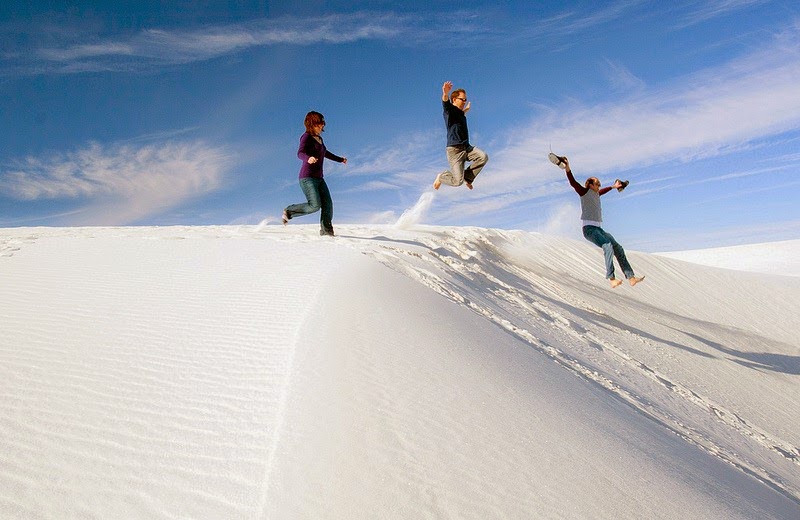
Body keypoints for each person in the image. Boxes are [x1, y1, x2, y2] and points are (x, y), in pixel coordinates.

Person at [560, 155, 644, 288]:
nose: (599, 185)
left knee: (618, 248)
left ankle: (631, 277)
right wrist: (567, 167)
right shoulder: (584, 192)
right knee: (607, 246)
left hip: (599, 229)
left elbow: (603, 191)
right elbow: (573, 182)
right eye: (597, 183)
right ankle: (611, 278)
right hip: (589, 230)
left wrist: (614, 186)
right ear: (590, 184)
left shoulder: (596, 193)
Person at [282, 111, 347, 236]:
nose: (322, 126)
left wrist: (340, 159)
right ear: (312, 124)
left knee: (328, 204)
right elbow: (300, 153)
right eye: (319, 123)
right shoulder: (306, 137)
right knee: (315, 205)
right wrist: (308, 158)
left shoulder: (320, 139)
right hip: (307, 178)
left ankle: (327, 233)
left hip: (319, 178)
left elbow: (325, 153)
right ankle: (289, 211)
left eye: (323, 123)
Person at [433, 81, 488, 190]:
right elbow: (445, 103)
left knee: (483, 157)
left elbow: (461, 113)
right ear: (454, 100)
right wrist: (445, 93)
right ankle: (442, 177)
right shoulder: (450, 111)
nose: (464, 101)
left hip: (467, 148)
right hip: (455, 151)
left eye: (465, 100)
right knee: (457, 182)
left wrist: (465, 110)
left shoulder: (461, 113)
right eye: (462, 99)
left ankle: (468, 177)